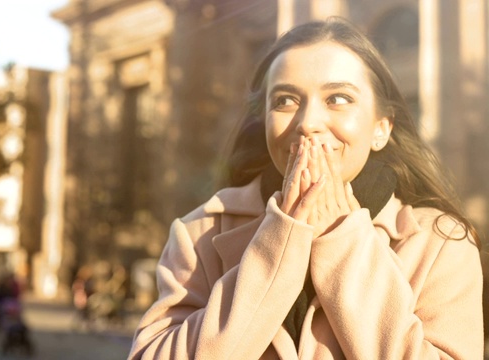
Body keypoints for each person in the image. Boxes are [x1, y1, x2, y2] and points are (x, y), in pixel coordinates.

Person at [128, 18, 483, 359]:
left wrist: (342, 244)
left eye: (338, 98)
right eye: (285, 100)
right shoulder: (199, 231)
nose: (308, 123)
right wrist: (278, 244)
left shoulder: (441, 243)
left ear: (382, 128)